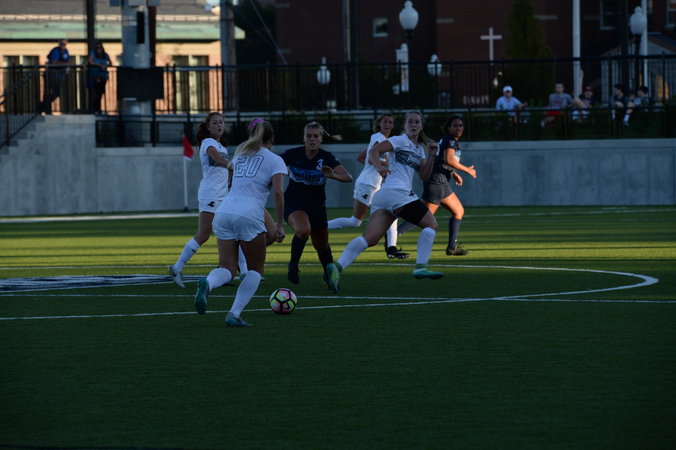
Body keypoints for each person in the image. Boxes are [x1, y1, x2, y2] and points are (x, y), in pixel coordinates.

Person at [325, 110, 444, 293]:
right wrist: (379, 167)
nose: (413, 125)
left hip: (384, 196)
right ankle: (421, 267)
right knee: (431, 224)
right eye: (410, 122)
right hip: (397, 193)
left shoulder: (419, 149)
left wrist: (432, 156)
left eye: (417, 122)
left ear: (421, 126)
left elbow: (424, 175)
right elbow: (374, 151)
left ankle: (337, 267)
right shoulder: (399, 140)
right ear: (404, 125)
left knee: (370, 239)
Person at [193, 120, 287, 327]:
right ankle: (234, 314)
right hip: (249, 214)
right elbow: (278, 193)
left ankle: (208, 283)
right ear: (271, 139)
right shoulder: (275, 160)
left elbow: (232, 182)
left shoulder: (240, 155)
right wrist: (280, 225)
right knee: (255, 270)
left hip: (224, 211)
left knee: (227, 268)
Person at [327, 113, 408, 260]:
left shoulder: (382, 140)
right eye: (385, 122)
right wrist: (388, 164)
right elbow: (371, 158)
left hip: (373, 184)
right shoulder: (379, 137)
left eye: (390, 122)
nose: (388, 125)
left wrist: (380, 167)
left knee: (392, 213)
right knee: (355, 221)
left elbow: (362, 157)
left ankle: (392, 248)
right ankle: (320, 226)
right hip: (368, 184)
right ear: (379, 124)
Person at [281, 121, 353, 286]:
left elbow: (348, 177)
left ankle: (329, 275)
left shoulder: (326, 157)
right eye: (309, 136)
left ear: (321, 139)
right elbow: (272, 163)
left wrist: (333, 175)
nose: (312, 139)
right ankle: (293, 265)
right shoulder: (293, 154)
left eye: (315, 136)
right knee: (303, 230)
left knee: (321, 244)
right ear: (303, 138)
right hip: (294, 201)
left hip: (317, 204)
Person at [169, 112, 234, 288]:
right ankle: (177, 267)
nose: (219, 125)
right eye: (215, 123)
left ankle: (232, 271)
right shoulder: (208, 142)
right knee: (204, 234)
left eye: (221, 122)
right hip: (210, 194)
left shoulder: (222, 145)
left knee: (230, 231)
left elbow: (225, 170)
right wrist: (232, 165)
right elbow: (217, 159)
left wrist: (231, 178)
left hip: (223, 195)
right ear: (208, 127)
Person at [398, 115, 476, 255]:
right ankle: (393, 235)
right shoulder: (449, 140)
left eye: (461, 125)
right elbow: (449, 160)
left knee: (458, 211)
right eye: (455, 125)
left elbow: (442, 161)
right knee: (422, 216)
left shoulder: (449, 139)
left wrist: (453, 173)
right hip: (436, 182)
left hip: (441, 182)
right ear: (449, 128)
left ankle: (452, 247)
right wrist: (468, 170)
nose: (459, 128)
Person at [40, 39, 71, 114]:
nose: (63, 45)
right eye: (62, 43)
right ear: (59, 43)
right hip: (52, 75)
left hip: (60, 76)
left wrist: (65, 64)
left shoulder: (66, 51)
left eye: (65, 44)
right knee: (53, 92)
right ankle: (43, 107)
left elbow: (69, 61)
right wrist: (64, 64)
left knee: (58, 93)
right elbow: (54, 62)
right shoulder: (55, 51)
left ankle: (43, 106)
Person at [88, 41, 112, 114]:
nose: (99, 50)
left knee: (100, 92)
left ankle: (98, 108)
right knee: (96, 92)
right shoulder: (93, 54)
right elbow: (90, 61)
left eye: (100, 48)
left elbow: (110, 63)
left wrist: (105, 66)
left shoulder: (105, 55)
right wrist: (99, 65)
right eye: (97, 48)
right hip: (95, 75)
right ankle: (96, 108)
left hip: (103, 76)